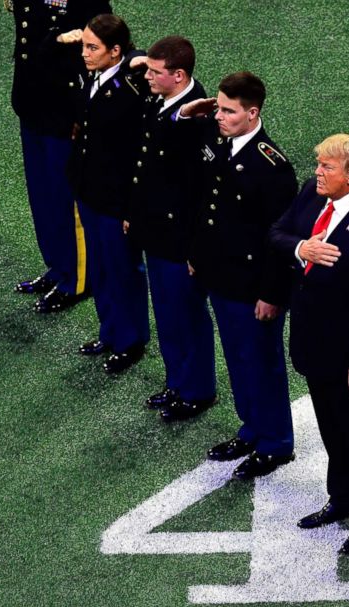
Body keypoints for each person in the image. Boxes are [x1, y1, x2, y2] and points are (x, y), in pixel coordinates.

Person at [269, 134, 349, 554]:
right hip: (314, 345)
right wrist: (302, 247)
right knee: (332, 430)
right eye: (319, 164)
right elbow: (278, 233)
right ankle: (341, 499)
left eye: (327, 166)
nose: (317, 172)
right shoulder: (312, 193)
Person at [176, 73, 297, 480]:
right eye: (219, 108)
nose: (220, 116)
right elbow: (207, 208)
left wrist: (272, 293)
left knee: (262, 362)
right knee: (239, 360)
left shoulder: (272, 168)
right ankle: (252, 428)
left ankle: (276, 442)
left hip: (252, 287)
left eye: (228, 111)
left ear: (253, 113)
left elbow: (280, 241)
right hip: (222, 276)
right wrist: (199, 256)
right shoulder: (219, 140)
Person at [123, 37, 217, 414]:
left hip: (181, 238)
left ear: (178, 76)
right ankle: (178, 381)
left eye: (154, 72)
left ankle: (198, 391)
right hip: (157, 231)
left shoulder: (199, 117)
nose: (147, 75)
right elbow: (147, 167)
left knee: (187, 316)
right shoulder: (163, 100)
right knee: (166, 312)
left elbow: (199, 187)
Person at [8, 0, 108, 312]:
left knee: (66, 200)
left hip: (64, 113)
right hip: (31, 103)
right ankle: (57, 266)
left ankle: (77, 279)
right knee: (43, 196)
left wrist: (81, 112)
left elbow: (100, 51)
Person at [64, 14, 150, 374]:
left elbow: (135, 155)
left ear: (115, 51)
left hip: (115, 199)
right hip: (89, 190)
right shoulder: (95, 75)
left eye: (92, 47)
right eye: (84, 45)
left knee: (123, 269)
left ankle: (131, 340)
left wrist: (137, 57)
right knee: (101, 268)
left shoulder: (132, 88)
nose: (84, 53)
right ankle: (110, 331)